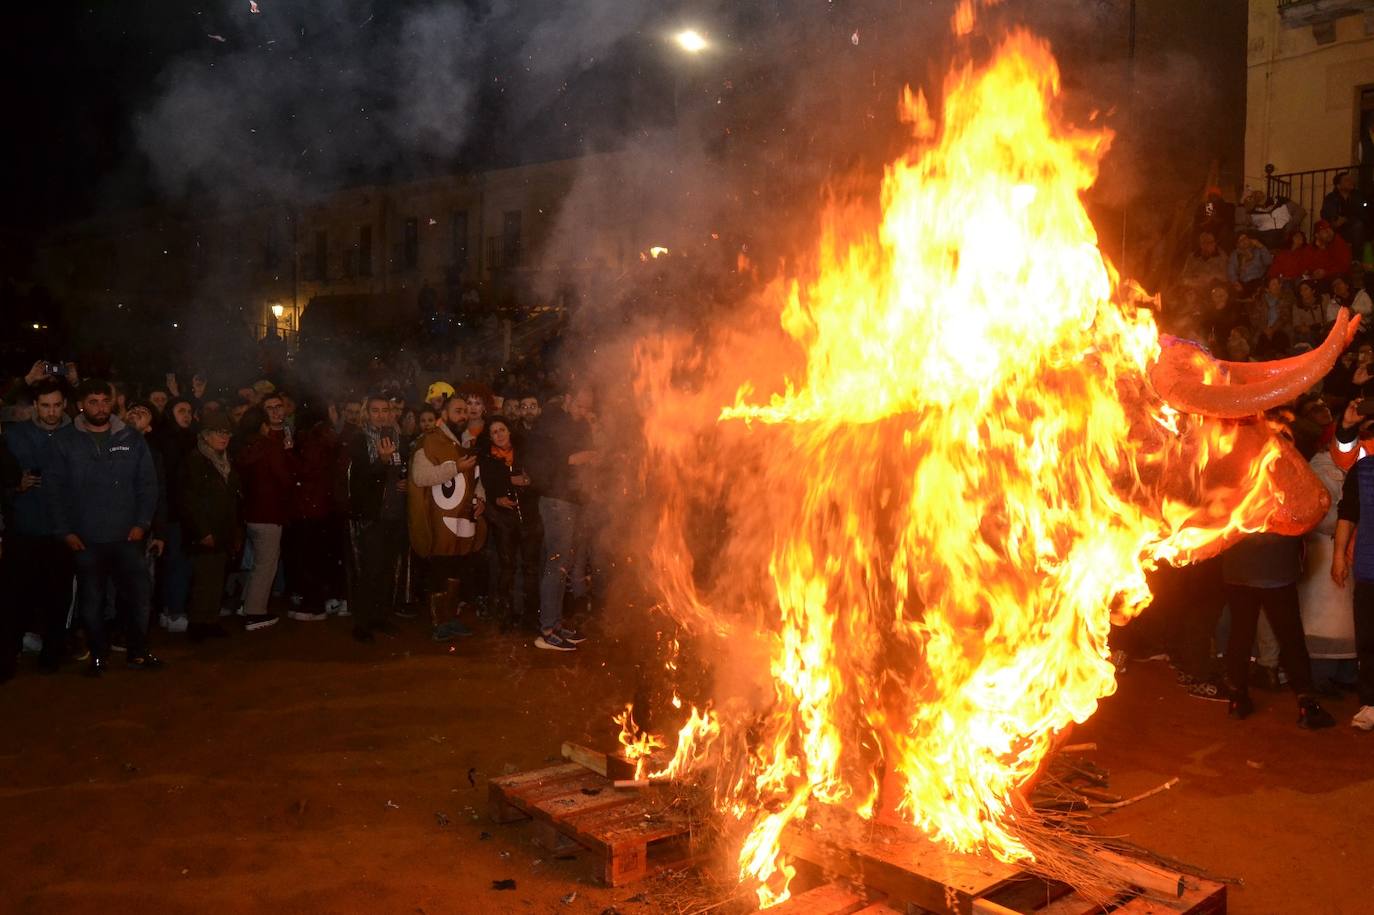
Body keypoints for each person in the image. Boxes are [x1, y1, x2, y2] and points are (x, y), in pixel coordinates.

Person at [46, 379, 163, 675]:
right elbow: (54, 490)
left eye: (104, 401)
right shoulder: (65, 441)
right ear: (82, 405)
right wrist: (65, 531)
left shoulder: (132, 438)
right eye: (93, 401)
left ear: (112, 403)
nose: (100, 407)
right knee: (92, 602)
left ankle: (138, 651)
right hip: (87, 539)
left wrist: (142, 524)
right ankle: (99, 656)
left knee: (138, 597)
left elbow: (147, 486)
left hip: (128, 536)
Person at [1221, 528, 1334, 728]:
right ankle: (1306, 704)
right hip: (1276, 564)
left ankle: (1237, 699)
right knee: (1290, 635)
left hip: (1238, 564)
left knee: (1240, 632)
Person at [1, 377, 73, 673]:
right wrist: (15, 486)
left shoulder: (76, 435)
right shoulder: (15, 436)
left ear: (65, 405)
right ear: (35, 406)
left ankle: (52, 654)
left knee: (58, 597)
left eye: (57, 405)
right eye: (45, 406)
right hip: (25, 529)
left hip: (62, 533)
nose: (51, 412)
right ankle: (7, 657)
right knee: (15, 597)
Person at [409, 394, 486, 639]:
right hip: (440, 524)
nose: (463, 415)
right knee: (439, 572)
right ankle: (438, 623)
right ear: (445, 414)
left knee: (458, 571)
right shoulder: (429, 441)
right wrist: (455, 468)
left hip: (464, 523)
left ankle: (451, 618)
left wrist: (481, 498)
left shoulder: (467, 443)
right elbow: (421, 477)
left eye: (465, 411)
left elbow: (477, 478)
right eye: (458, 411)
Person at [526, 387, 596, 651]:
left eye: (587, 408)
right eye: (579, 406)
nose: (583, 412)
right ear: (567, 399)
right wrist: (573, 459)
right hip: (556, 501)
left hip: (573, 500)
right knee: (556, 563)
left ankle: (555, 623)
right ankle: (546, 630)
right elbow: (541, 463)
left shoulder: (578, 425)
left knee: (563, 564)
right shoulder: (549, 423)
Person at [345, 394, 409, 642]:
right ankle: (362, 624)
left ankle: (381, 617)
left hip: (395, 513)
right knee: (369, 570)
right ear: (366, 414)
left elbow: (402, 468)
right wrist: (381, 463)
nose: (381, 415)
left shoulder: (398, 439)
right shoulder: (359, 441)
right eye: (375, 410)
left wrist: (405, 481)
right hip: (372, 514)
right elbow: (359, 481)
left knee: (387, 570)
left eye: (386, 410)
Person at [477, 415, 543, 631]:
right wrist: (501, 492)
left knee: (531, 568)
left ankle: (530, 616)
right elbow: (487, 483)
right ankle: (506, 615)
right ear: (490, 437)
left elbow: (539, 478)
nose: (499, 435)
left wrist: (528, 481)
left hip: (529, 517)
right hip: (504, 520)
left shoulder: (524, 452)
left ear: (509, 431)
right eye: (494, 432)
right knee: (507, 568)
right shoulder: (488, 458)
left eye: (502, 430)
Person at [181, 412, 242, 642]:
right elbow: (189, 500)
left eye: (227, 433)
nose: (224, 437)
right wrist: (203, 531)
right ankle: (198, 623)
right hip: (205, 530)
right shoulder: (196, 460)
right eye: (219, 432)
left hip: (222, 528)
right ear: (205, 435)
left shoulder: (224, 459)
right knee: (204, 578)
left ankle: (210, 620)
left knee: (217, 577)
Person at [234, 399, 293, 632]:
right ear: (262, 425)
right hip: (269, 511)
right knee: (266, 564)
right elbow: (284, 478)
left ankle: (246, 603)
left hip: (250, 511)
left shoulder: (242, 447)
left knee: (258, 562)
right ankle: (255, 613)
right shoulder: (269, 446)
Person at [284, 404, 341, 623]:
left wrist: (289, 452)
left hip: (309, 507)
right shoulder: (326, 437)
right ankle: (316, 601)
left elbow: (305, 471)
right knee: (315, 557)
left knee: (309, 558)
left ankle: (314, 605)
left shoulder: (313, 440)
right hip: (320, 506)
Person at [152, 397, 198, 631]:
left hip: (176, 512)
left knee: (173, 563)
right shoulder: (170, 440)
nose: (186, 415)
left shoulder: (187, 439)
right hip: (174, 513)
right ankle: (174, 610)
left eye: (189, 410)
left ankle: (169, 610)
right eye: (181, 410)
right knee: (178, 563)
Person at [1320, 170, 1368, 256]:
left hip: (1354, 227)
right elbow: (1332, 218)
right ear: (1338, 186)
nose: (1351, 182)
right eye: (1346, 180)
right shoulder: (1331, 198)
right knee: (1357, 226)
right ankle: (1356, 259)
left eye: (1351, 179)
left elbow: (1362, 213)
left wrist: (1345, 218)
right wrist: (1337, 221)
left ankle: (1357, 259)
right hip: (1336, 230)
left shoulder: (1357, 196)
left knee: (1359, 225)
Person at [1227, 231, 1273, 298]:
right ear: (1237, 245)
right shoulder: (1235, 255)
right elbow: (1231, 272)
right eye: (1240, 240)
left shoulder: (1258, 249)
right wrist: (1236, 282)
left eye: (1245, 238)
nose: (1244, 241)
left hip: (1260, 279)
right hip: (1245, 283)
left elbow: (1269, 261)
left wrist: (1261, 246)